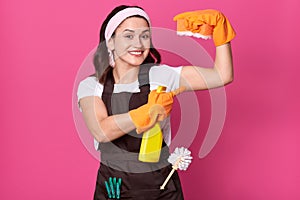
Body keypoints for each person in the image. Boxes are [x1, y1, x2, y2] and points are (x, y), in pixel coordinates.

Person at [77, 5, 235, 200]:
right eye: (128, 36)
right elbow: (101, 131)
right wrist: (147, 112)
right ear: (110, 43)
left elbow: (222, 75)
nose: (138, 43)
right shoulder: (93, 85)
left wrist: (220, 35)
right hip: (113, 188)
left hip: (161, 187)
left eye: (144, 36)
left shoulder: (161, 75)